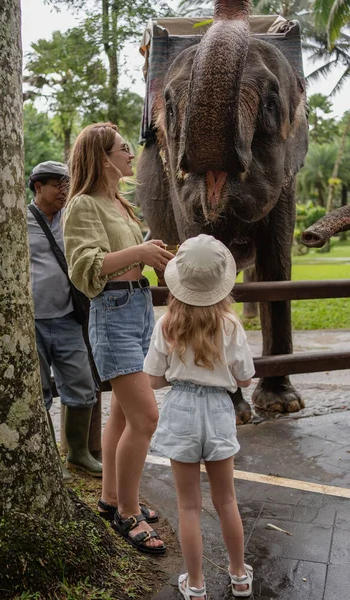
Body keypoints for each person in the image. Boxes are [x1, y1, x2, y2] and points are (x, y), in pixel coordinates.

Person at [63, 123, 175, 554]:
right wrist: (139, 253)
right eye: (123, 148)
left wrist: (152, 252)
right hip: (110, 313)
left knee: (124, 418)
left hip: (137, 307)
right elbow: (85, 267)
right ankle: (129, 512)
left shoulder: (120, 203)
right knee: (146, 418)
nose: (131, 154)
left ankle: (111, 499)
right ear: (103, 157)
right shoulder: (83, 205)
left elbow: (126, 259)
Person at [143, 234, 255, 598]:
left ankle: (195, 584)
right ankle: (239, 575)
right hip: (220, 410)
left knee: (188, 505)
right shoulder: (231, 325)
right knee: (227, 500)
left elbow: (155, 379)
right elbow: (245, 378)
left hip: (182, 410)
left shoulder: (167, 325)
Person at [27, 160, 102, 479]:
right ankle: (47, 460)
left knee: (84, 386)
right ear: (37, 187)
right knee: (39, 392)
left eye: (66, 184)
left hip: (69, 317)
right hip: (30, 323)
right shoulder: (17, 220)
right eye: (56, 184)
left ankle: (78, 453)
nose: (63, 190)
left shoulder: (72, 218)